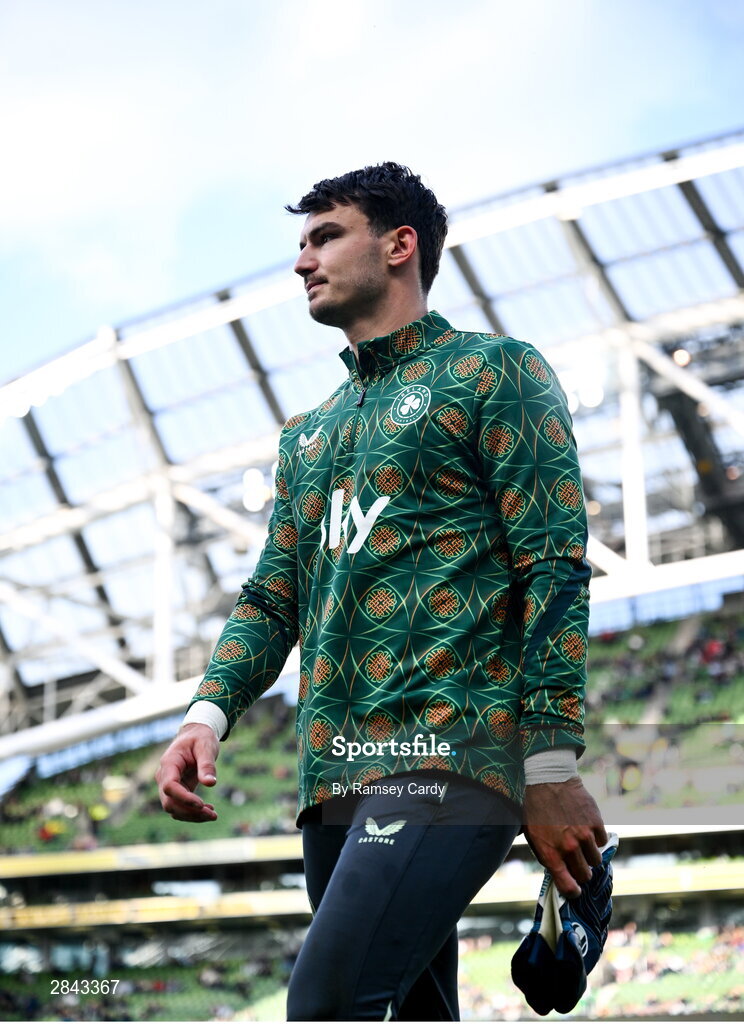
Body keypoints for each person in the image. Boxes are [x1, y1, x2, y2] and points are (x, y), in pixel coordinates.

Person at [156, 162, 608, 1020]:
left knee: (326, 1005)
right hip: (333, 779)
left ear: (400, 246)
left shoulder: (493, 373)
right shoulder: (306, 436)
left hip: (453, 757)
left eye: (325, 236)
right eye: (300, 243)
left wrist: (550, 764)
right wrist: (203, 716)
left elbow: (553, 562)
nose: (301, 262)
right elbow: (270, 598)